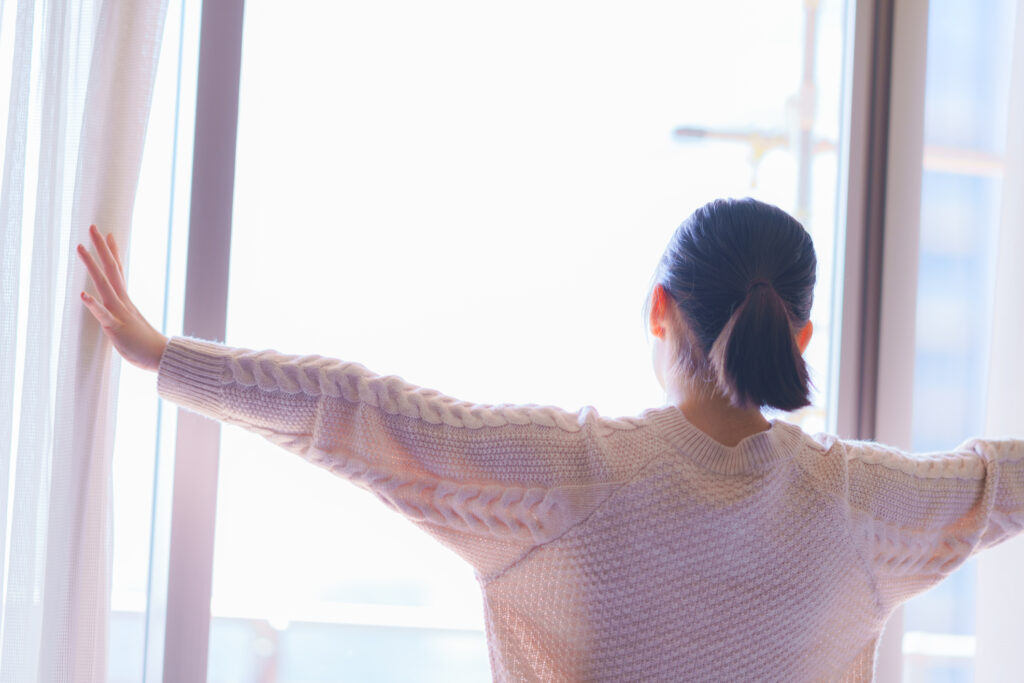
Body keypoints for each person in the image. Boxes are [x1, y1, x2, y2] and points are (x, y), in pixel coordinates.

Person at [78, 198, 1023, 682]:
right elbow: (1004, 481)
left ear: (660, 310)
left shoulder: (572, 476)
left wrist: (162, 353)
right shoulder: (861, 506)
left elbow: (357, 414)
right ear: (800, 334)